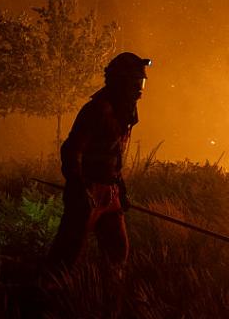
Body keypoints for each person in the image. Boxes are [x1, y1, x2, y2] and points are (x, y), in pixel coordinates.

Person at [47, 52, 151, 269]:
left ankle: (107, 296)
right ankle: (49, 292)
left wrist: (119, 188)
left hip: (109, 192)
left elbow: (115, 156)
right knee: (68, 255)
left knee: (117, 253)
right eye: (135, 83)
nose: (139, 90)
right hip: (89, 189)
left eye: (141, 82)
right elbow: (71, 150)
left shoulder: (124, 112)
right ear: (120, 82)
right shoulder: (98, 110)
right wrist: (79, 187)